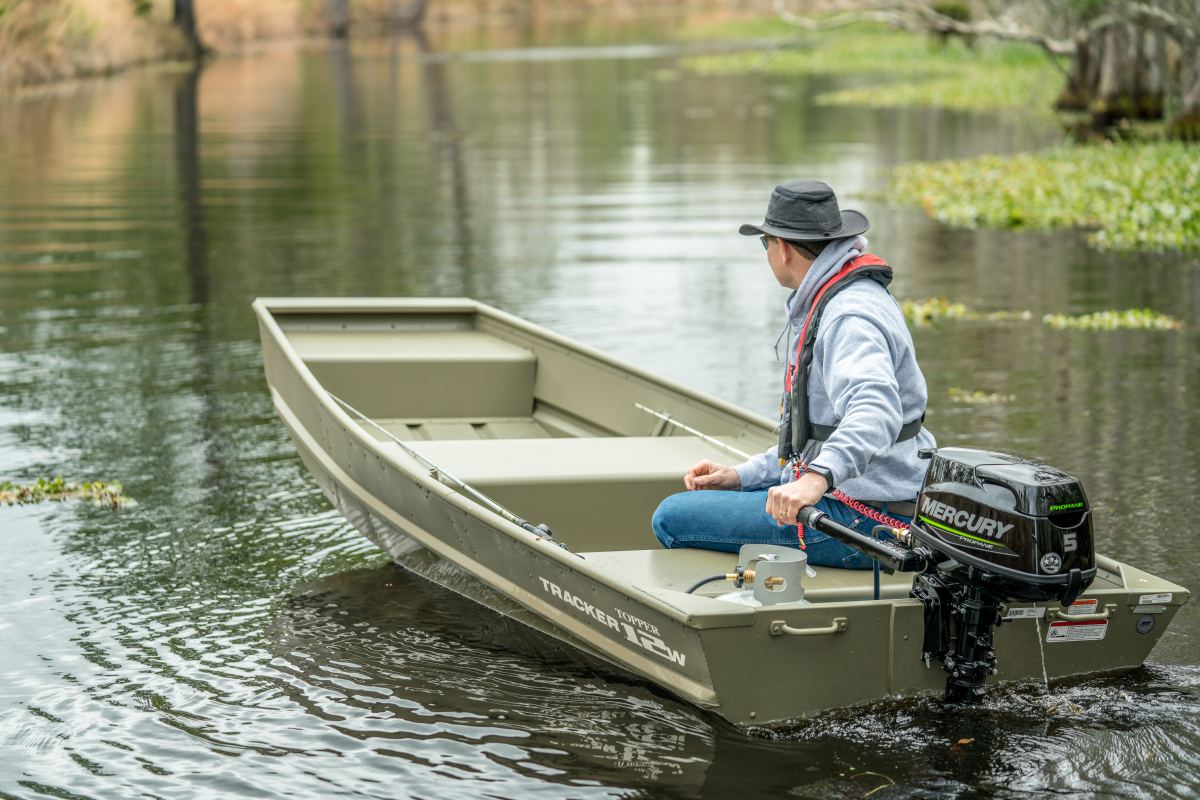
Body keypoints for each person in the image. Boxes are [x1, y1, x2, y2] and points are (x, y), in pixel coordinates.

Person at [651, 180, 936, 569]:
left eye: (764, 242)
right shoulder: (844, 296)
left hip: (866, 521)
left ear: (783, 248)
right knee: (715, 500)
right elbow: (816, 439)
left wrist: (815, 479)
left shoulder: (848, 316)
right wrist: (741, 476)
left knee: (672, 516)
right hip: (873, 499)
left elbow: (876, 410)